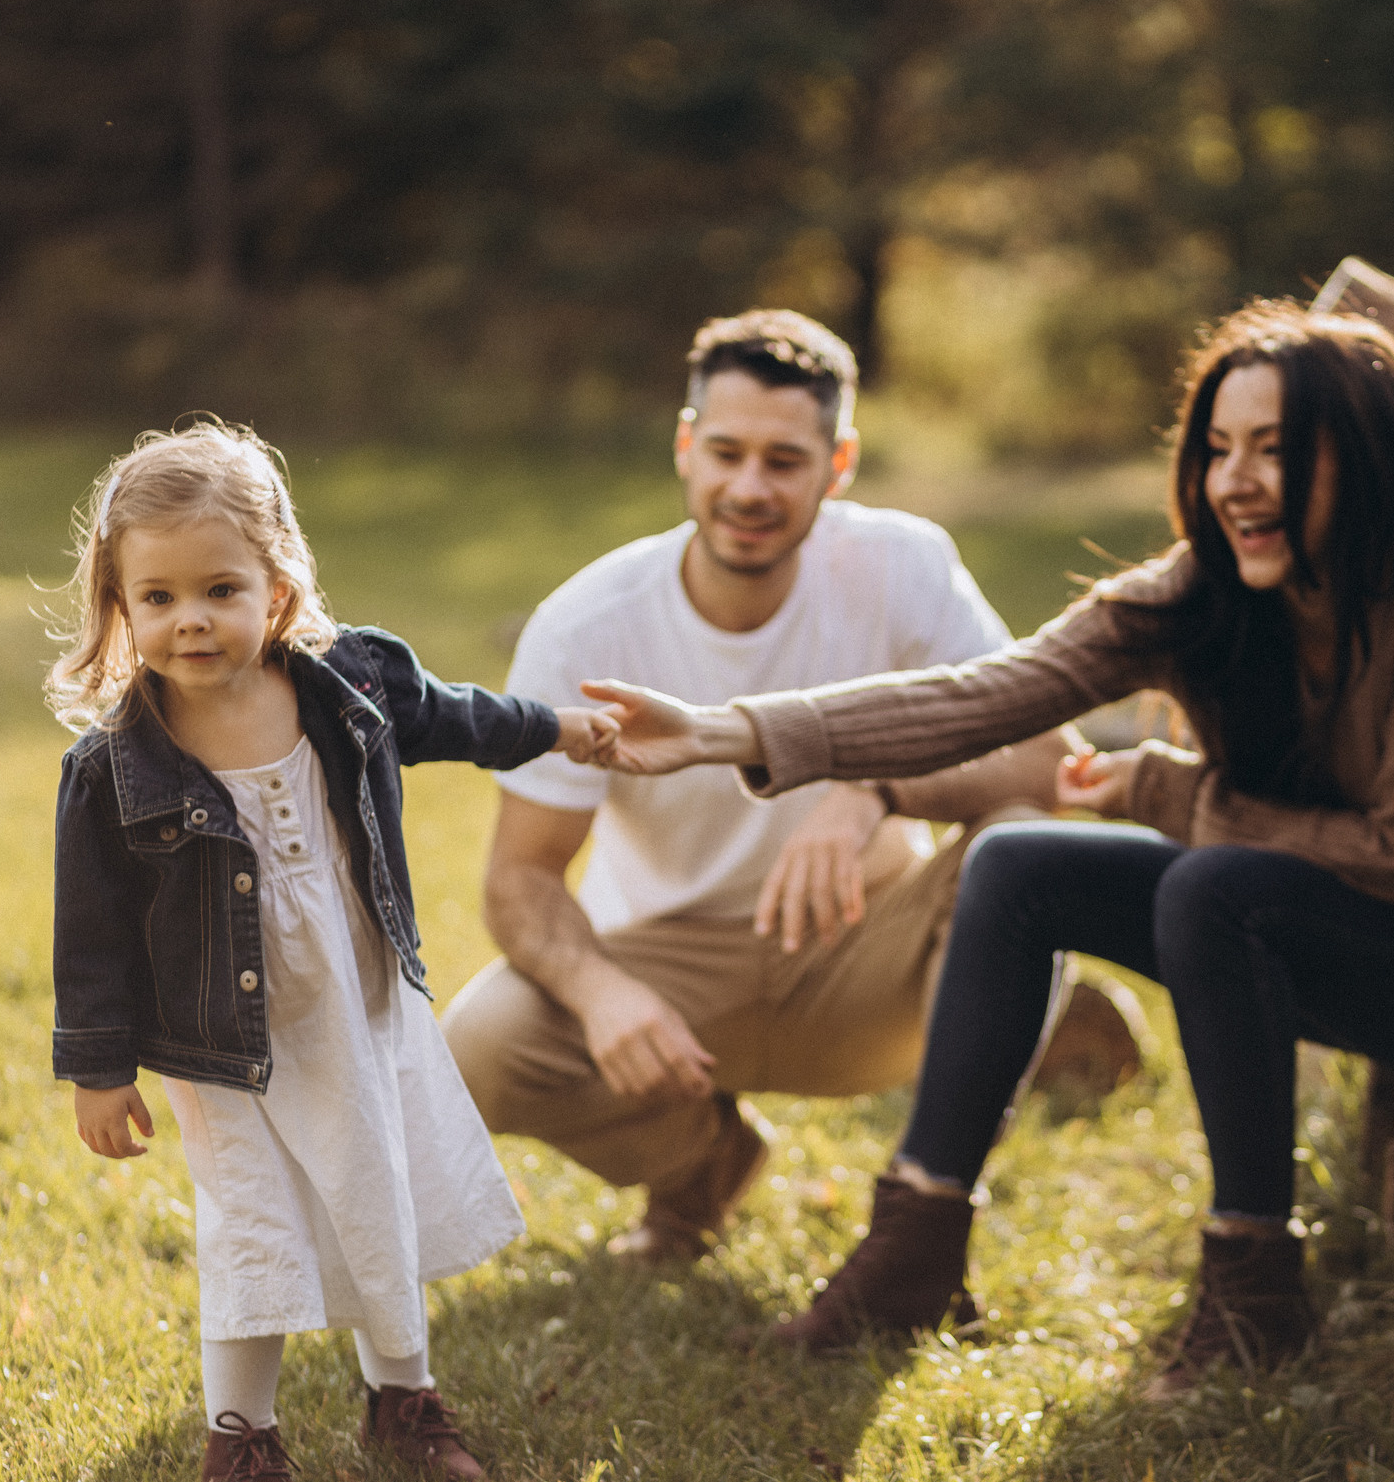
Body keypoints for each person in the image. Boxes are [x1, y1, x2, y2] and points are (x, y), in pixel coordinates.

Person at [588, 301, 1394, 1395]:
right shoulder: (1200, 589)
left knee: (1214, 888)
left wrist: (1168, 790)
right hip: (1302, 929)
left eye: (1274, 450)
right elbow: (986, 695)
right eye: (1217, 450)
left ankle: (1256, 1291)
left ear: (1356, 455)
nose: (1234, 482)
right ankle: (916, 1248)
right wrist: (723, 730)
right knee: (1019, 865)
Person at [47, 422, 619, 1482]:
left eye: (220, 587)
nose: (190, 620)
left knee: (377, 1195)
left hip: (355, 1006)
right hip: (220, 1041)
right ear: (119, 606)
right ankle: (241, 1441)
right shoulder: (111, 770)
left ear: (279, 584)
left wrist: (560, 729)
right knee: (252, 1224)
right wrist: (98, 1070)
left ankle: (402, 1400)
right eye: (156, 598)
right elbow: (93, 938)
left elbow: (461, 717)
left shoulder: (351, 683)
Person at [442, 309, 1085, 1263]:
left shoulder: (905, 566)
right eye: (727, 452)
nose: (749, 487)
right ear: (684, 447)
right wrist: (601, 993)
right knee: (478, 1047)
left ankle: (922, 1219)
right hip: (675, 973)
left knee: (1034, 851)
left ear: (840, 462)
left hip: (865, 949)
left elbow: (1051, 763)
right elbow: (520, 878)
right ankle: (704, 1158)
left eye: (783, 461)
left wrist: (874, 787)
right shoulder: (585, 623)